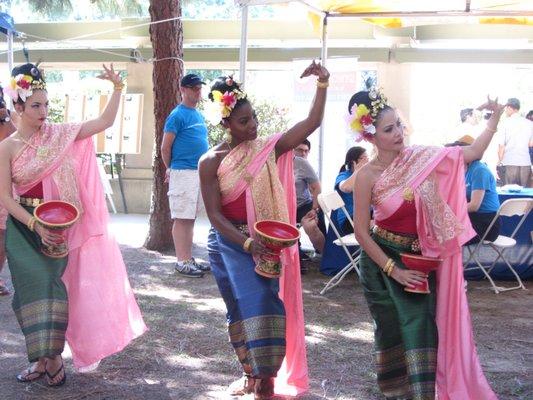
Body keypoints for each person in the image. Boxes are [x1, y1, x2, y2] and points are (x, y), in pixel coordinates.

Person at [0, 63, 147, 386]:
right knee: (27, 294)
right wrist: (32, 225)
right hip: (24, 228)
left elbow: (104, 122)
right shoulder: (7, 147)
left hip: (57, 225)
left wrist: (118, 89)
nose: (44, 111)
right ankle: (43, 360)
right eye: (36, 105)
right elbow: (6, 199)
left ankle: (52, 358)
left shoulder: (59, 134)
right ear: (18, 106)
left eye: (47, 104)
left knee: (50, 287)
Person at [351, 88, 503, 399]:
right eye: (388, 129)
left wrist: (495, 119)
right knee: (390, 328)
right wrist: (393, 270)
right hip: (380, 262)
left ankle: (423, 393)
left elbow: (472, 153)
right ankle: (396, 390)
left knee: (420, 323)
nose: (398, 134)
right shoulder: (366, 176)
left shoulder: (422, 158)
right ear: (371, 136)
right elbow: (361, 232)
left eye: (399, 125)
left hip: (417, 259)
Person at [198, 60, 329, 399]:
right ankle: (250, 375)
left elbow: (311, 122)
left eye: (254, 116)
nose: (253, 125)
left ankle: (266, 381)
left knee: (265, 304)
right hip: (228, 242)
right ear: (225, 123)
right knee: (238, 309)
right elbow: (214, 215)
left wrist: (322, 85)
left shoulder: (268, 148)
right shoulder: (210, 160)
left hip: (263, 240)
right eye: (244, 121)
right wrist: (245, 244)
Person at [161, 73, 210, 278]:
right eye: (193, 88)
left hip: (197, 172)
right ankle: (181, 261)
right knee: (182, 217)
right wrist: (170, 169)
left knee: (189, 217)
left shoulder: (198, 114)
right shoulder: (177, 115)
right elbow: (165, 147)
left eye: (199, 87)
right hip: (183, 171)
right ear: (182, 90)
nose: (197, 91)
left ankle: (188, 258)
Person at [447, 137, 501, 244]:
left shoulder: (479, 170)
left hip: (486, 224)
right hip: (475, 219)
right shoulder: (466, 170)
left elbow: (474, 206)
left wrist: (449, 210)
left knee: (445, 238)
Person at [293, 139, 325, 264]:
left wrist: (314, 208)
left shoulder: (302, 163)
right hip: (283, 207)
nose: (303, 153)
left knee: (311, 226)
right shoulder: (277, 159)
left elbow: (317, 187)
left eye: (306, 151)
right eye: (299, 150)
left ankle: (325, 255)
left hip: (303, 205)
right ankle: (297, 255)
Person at [0, 85, 17, 296]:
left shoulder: (8, 119)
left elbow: (18, 137)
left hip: (4, 185)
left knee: (2, 236)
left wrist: (6, 118)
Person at [497, 97, 533, 187]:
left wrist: (499, 162)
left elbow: (501, 146)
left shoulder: (505, 123)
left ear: (509, 107)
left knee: (509, 194)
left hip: (509, 162)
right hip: (525, 163)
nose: (505, 111)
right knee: (525, 196)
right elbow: (531, 144)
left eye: (506, 108)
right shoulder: (529, 124)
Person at [334, 146, 368, 234]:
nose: (367, 161)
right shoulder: (344, 175)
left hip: (366, 214)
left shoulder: (367, 175)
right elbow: (346, 188)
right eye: (363, 158)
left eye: (367, 158)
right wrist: (357, 171)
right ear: (353, 162)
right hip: (349, 219)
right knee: (378, 226)